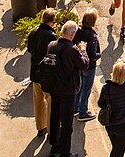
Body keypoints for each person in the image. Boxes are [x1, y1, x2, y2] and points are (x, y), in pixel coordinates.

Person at [45, 21, 89, 157]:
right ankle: (65, 152)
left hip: (54, 86)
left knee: (55, 114)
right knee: (67, 122)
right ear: (73, 34)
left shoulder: (52, 45)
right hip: (68, 89)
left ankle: (55, 146)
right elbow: (84, 65)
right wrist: (83, 50)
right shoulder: (72, 50)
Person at [26, 9, 59, 138]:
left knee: (38, 101)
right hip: (47, 76)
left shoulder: (33, 32)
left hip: (34, 73)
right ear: (52, 21)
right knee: (50, 102)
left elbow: (29, 49)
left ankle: (41, 127)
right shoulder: (52, 36)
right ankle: (51, 129)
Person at [73, 9, 102, 122]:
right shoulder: (92, 36)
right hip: (89, 67)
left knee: (79, 87)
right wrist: (99, 55)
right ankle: (83, 112)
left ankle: (75, 108)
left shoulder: (78, 31)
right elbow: (92, 55)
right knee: (86, 89)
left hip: (79, 64)